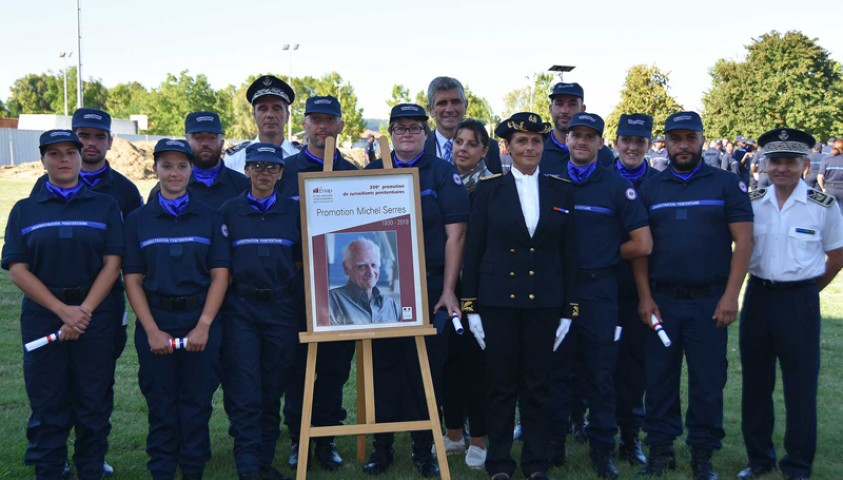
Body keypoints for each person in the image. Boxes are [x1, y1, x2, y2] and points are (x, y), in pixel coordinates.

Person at [635, 112, 753, 480]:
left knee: (707, 380)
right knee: (658, 380)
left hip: (709, 301)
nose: (682, 145)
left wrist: (731, 296)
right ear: (665, 143)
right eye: (675, 139)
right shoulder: (650, 187)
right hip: (662, 301)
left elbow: (745, 240)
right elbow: (640, 249)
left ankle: (703, 455)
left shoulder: (725, 183)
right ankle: (660, 450)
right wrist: (644, 297)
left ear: (702, 139)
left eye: (690, 137)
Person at [461, 112, 577, 480]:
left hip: (544, 301)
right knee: (499, 385)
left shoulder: (562, 190)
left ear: (544, 146)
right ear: (506, 148)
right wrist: (471, 306)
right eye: (522, 141)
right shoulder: (488, 189)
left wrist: (568, 309)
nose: (529, 148)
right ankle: (498, 463)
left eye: (536, 141)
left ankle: (536, 463)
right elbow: (473, 251)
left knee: (538, 385)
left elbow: (569, 254)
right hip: (498, 302)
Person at [3, 130, 123, 480]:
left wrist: (82, 310)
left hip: (94, 316)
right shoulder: (25, 209)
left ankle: (90, 468)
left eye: (70, 152)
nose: (64, 160)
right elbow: (17, 269)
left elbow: (112, 263)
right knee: (47, 399)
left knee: (92, 399)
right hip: (44, 317)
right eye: (54, 154)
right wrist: (62, 311)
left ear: (79, 156)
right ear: (43, 160)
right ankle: (50, 468)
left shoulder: (104, 205)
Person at [29, 108, 141, 478]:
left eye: (97, 137)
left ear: (108, 142)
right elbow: (24, 260)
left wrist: (89, 310)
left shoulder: (122, 193)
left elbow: (123, 257)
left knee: (95, 389)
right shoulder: (35, 195)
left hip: (102, 310)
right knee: (51, 392)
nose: (89, 144)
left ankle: (92, 460)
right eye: (84, 136)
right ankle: (52, 459)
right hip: (51, 310)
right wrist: (63, 309)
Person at [362, 103, 469, 477]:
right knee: (385, 367)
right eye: (401, 128)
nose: (408, 133)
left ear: (425, 133)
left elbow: (456, 234)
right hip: (383, 285)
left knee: (426, 370)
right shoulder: (371, 172)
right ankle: (382, 446)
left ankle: (424, 449)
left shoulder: (441, 172)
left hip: (429, 283)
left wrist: (449, 289)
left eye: (415, 128)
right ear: (390, 133)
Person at [546, 112, 651, 479]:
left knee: (601, 373)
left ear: (601, 143)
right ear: (567, 139)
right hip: (558, 290)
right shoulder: (550, 183)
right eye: (576, 135)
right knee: (556, 369)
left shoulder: (615, 186)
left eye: (590, 137)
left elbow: (642, 243)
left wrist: (604, 253)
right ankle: (554, 445)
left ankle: (602, 450)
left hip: (599, 291)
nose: (582, 142)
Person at [737, 128, 843, 480]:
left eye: (790, 161)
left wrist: (811, 291)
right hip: (758, 298)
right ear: (764, 165)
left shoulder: (823, 205)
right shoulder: (752, 204)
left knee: (800, 387)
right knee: (755, 383)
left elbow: (837, 254)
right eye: (776, 161)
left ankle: (797, 465)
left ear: (805, 164)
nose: (782, 168)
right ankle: (759, 458)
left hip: (799, 300)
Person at [123, 138, 229, 480]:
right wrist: (152, 330)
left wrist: (204, 325)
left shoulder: (209, 218)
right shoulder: (138, 220)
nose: (174, 172)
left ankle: (194, 470)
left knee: (197, 404)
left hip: (200, 319)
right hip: (157, 319)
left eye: (182, 166)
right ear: (155, 169)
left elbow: (220, 275)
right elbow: (133, 280)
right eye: (166, 166)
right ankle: (163, 470)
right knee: (162, 404)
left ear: (191, 170)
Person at [280, 95, 359, 472]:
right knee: (298, 367)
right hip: (297, 281)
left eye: (330, 120)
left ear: (341, 125)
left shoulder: (353, 172)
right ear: (305, 125)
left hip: (338, 284)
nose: (323, 127)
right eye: (316, 120)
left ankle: (325, 440)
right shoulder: (285, 170)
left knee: (333, 367)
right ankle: (299, 438)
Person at [218, 142, 299, 480]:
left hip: (281, 309)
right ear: (247, 170)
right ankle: (249, 467)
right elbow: (222, 265)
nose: (264, 173)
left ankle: (264, 462)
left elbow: (299, 260)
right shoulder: (228, 211)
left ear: (281, 173)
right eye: (257, 167)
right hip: (242, 310)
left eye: (271, 168)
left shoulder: (294, 212)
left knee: (272, 388)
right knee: (245, 389)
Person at [441, 118, 492, 469]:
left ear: (484, 150)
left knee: (479, 366)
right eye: (458, 141)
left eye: (471, 143)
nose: (463, 148)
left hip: (483, 289)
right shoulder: (446, 182)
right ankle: (454, 433)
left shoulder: (493, 187)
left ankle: (479, 438)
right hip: (449, 286)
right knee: (450, 363)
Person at [610, 114, 660, 467]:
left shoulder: (659, 183)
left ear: (649, 144)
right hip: (599, 284)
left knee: (634, 365)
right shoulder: (598, 176)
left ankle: (630, 436)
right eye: (626, 139)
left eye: (639, 141)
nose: (632, 147)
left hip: (642, 289)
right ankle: (584, 425)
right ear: (615, 142)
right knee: (590, 362)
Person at [148, 111, 250, 209]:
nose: (205, 143)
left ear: (222, 143)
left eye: (212, 137)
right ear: (186, 142)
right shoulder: (164, 190)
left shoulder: (243, 186)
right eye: (198, 137)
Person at [424, 76, 503, 174]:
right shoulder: (419, 149)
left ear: (465, 106)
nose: (449, 109)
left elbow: (496, 186)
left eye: (455, 102)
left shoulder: (490, 147)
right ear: (430, 110)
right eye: (442, 103)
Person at [225, 75, 299, 173]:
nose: (269, 115)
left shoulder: (300, 156)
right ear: (254, 116)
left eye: (276, 108)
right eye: (263, 109)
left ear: (287, 116)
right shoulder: (235, 158)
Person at [541, 82, 614, 174]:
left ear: (583, 109)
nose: (565, 111)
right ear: (550, 109)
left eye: (572, 104)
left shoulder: (603, 154)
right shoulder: (537, 149)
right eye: (559, 104)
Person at [329, 238, 400, 325]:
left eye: (374, 265)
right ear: (346, 268)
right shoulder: (331, 301)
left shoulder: (391, 304)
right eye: (362, 266)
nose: (370, 272)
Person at [817, 138, 843, 208]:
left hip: (830, 189)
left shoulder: (826, 159)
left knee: (829, 212)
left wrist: (823, 188)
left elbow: (820, 176)